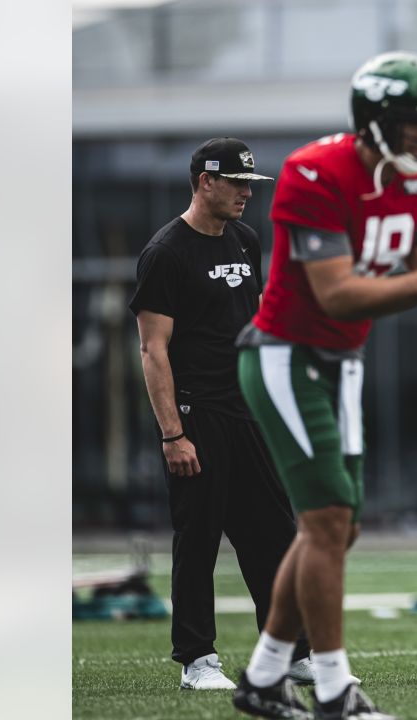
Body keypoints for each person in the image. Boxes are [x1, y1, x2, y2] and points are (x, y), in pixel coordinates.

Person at [229, 52, 417, 720]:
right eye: (416, 123)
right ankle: (334, 689)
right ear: (377, 123)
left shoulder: (413, 173)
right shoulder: (315, 172)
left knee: (339, 526)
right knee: (328, 518)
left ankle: (263, 676)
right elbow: (337, 295)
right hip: (286, 355)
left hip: (343, 362)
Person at [129, 137, 313, 692]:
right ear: (205, 182)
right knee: (199, 537)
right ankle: (197, 661)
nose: (244, 195)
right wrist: (173, 434)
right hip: (195, 416)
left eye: (249, 186)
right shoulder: (166, 252)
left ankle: (289, 651)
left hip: (245, 412)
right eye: (235, 184)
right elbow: (152, 350)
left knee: (274, 537)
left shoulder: (244, 239)